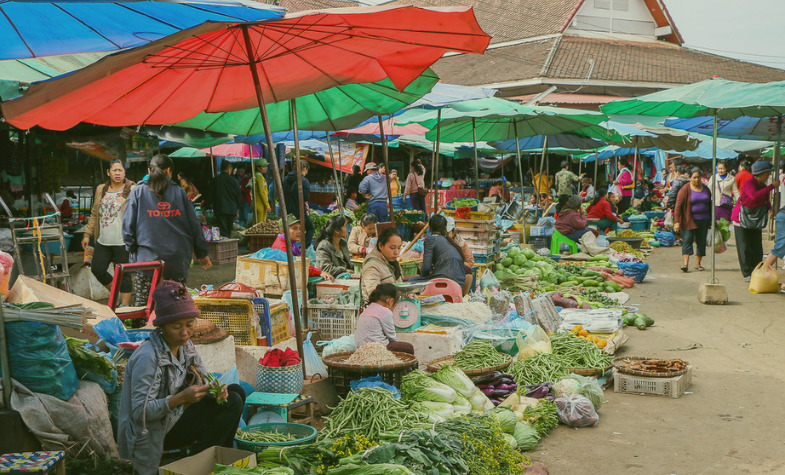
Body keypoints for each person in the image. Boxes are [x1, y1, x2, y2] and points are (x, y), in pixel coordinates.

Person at [117, 281, 245, 475]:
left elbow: (203, 376)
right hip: (150, 434)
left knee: (235, 392)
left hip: (173, 418)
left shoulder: (184, 344)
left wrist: (213, 389)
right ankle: (197, 464)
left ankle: (214, 459)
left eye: (190, 324)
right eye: (177, 326)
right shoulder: (148, 358)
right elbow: (140, 413)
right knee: (232, 403)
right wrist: (182, 398)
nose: (185, 332)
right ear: (162, 327)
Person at [123, 154, 211, 288]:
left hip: (146, 259)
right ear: (169, 170)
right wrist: (202, 253)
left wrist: (134, 250)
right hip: (176, 258)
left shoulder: (138, 192)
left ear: (149, 171)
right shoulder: (179, 192)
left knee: (144, 304)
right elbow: (194, 225)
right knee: (176, 303)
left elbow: (127, 228)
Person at [82, 159, 135, 305]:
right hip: (103, 239)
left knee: (124, 274)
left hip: (123, 240)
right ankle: (116, 295)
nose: (117, 173)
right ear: (108, 172)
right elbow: (94, 213)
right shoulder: (101, 189)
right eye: (114, 170)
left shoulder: (132, 189)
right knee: (97, 269)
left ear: (125, 172)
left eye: (120, 170)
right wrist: (87, 234)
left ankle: (124, 305)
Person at [732, 161, 775, 281]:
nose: (768, 177)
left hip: (755, 220)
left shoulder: (762, 184)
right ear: (760, 174)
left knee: (756, 247)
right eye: (767, 174)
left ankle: (756, 270)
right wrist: (771, 187)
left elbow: (765, 197)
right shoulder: (749, 183)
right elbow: (754, 196)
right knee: (744, 246)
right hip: (742, 220)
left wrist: (769, 208)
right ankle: (747, 273)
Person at [354, 283, 414, 354]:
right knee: (408, 347)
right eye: (395, 306)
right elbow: (392, 338)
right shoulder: (386, 311)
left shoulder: (368, 309)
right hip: (376, 349)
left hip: (361, 348)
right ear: (390, 301)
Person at [409, 214, 465, 288]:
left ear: (430, 228)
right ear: (445, 228)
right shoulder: (448, 241)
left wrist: (423, 278)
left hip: (445, 281)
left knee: (411, 281)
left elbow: (426, 268)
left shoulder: (430, 240)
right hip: (459, 283)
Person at [674, 168, 712, 273]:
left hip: (703, 220)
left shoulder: (706, 189)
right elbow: (678, 206)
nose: (697, 179)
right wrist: (677, 222)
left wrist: (712, 220)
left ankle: (698, 264)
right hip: (688, 220)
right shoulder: (685, 189)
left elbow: (710, 204)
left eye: (698, 177)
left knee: (701, 241)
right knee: (687, 239)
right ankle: (685, 264)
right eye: (694, 177)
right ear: (690, 178)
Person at [361, 227, 403, 301]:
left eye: (399, 248)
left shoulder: (394, 263)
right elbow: (373, 294)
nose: (396, 252)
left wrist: (408, 293)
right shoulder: (372, 266)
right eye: (392, 248)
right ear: (380, 246)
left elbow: (400, 286)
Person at [283, 162, 314, 248]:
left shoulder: (285, 179)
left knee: (290, 230)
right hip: (299, 211)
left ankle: (290, 248)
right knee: (310, 229)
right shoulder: (303, 181)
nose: (307, 172)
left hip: (287, 210)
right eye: (307, 170)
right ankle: (303, 249)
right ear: (304, 169)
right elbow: (306, 198)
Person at [210, 160, 241, 239]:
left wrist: (206, 206)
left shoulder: (215, 180)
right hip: (232, 210)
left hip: (220, 209)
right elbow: (238, 197)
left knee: (222, 231)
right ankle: (227, 246)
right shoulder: (234, 181)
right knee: (228, 230)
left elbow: (210, 195)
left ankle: (225, 247)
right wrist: (237, 210)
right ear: (229, 169)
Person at [314, 215, 353, 279]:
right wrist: (344, 270)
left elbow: (348, 262)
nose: (346, 229)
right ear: (337, 231)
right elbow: (326, 268)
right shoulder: (324, 246)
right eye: (344, 226)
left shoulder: (343, 243)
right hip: (329, 280)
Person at [446, 217, 474, 295]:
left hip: (457, 272)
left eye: (448, 233)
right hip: (441, 271)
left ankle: (462, 295)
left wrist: (457, 264)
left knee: (468, 273)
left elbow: (470, 261)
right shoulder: (437, 241)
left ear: (453, 231)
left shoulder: (460, 243)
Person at [251, 158, 271, 223]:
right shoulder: (259, 176)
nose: (266, 168)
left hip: (257, 204)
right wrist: (267, 205)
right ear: (258, 168)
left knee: (256, 225)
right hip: (260, 205)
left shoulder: (256, 176)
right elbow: (262, 192)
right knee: (260, 226)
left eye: (266, 166)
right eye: (264, 166)